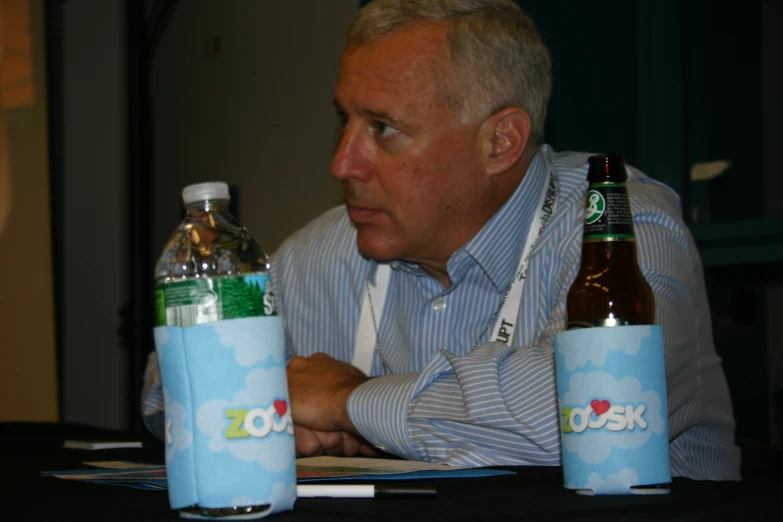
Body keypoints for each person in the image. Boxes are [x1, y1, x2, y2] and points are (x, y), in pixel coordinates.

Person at [143, 0, 741, 480]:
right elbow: (167, 382)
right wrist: (260, 410)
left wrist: (349, 402)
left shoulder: (620, 227)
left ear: (500, 142)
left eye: (383, 129)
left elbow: (602, 403)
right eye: (343, 121)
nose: (343, 163)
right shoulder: (326, 251)